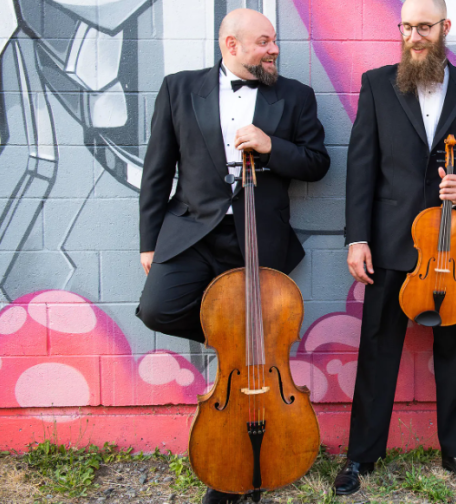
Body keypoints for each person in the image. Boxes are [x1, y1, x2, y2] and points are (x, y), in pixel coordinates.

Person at [136, 9, 330, 504]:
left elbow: (317, 163)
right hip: (191, 233)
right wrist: (149, 242)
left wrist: (271, 146)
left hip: (258, 238)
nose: (274, 49)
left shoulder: (296, 96)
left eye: (274, 41)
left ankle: (239, 470)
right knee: (157, 308)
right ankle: (238, 353)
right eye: (264, 41)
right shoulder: (179, 88)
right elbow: (157, 170)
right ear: (231, 45)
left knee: (259, 345)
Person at [336, 0, 456, 496]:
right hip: (388, 240)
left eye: (423, 27)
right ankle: (361, 456)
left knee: (455, 349)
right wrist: (357, 239)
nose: (413, 36)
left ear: (445, 28)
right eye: (406, 27)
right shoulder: (377, 83)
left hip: (449, 246)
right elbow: (361, 167)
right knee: (377, 349)